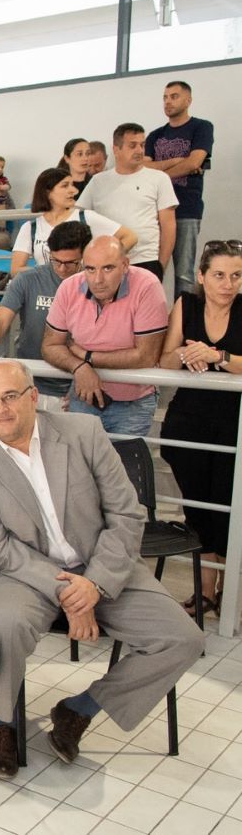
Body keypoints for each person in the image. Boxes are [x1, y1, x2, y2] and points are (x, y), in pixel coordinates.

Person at [0, 359, 204, 780]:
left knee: (183, 639)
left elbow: (126, 514)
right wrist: (71, 592)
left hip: (102, 562)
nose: (0, 409)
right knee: (5, 623)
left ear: (33, 396)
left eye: (10, 396)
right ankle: (4, 723)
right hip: (22, 573)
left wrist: (96, 584)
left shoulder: (84, 433)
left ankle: (79, 709)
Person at [158, 240, 242, 617]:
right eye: (219, 275)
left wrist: (216, 356)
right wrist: (185, 353)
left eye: (236, 276)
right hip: (188, 422)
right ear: (202, 276)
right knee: (197, 508)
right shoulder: (187, 304)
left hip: (234, 425)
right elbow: (165, 359)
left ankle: (227, 590)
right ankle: (205, 590)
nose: (228, 283)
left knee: (227, 509)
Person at [42, 236, 167, 436]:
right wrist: (79, 367)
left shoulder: (147, 285)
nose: (98, 279)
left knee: (124, 459)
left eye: (108, 268)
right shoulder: (68, 287)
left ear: (125, 265)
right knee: (79, 457)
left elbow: (146, 356)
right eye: (90, 269)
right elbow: (50, 346)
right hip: (84, 397)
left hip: (133, 404)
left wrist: (87, 357)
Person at [0, 221, 93, 412]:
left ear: (85, 256)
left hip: (78, 384)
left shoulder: (96, 284)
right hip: (31, 382)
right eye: (56, 261)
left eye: (71, 263)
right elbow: (1, 318)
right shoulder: (28, 279)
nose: (62, 268)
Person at [77, 123, 178, 279]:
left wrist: (161, 265)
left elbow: (169, 226)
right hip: (106, 263)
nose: (139, 150)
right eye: (132, 145)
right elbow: (78, 217)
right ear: (116, 149)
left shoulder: (159, 179)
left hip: (146, 260)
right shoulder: (97, 181)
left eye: (142, 145)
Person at [145, 81, 215, 298]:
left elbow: (194, 162)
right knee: (152, 270)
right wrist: (176, 162)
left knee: (184, 273)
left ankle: (183, 317)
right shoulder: (155, 135)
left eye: (174, 96)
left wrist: (159, 174)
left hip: (186, 209)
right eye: (165, 97)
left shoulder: (201, 127)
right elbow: (144, 167)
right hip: (155, 212)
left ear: (188, 100)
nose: (168, 101)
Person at [10, 168, 135, 275]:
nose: (73, 190)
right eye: (65, 186)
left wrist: (104, 261)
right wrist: (50, 273)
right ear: (47, 192)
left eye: (72, 185)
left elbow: (130, 237)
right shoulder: (30, 228)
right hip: (47, 290)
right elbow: (16, 270)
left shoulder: (86, 217)